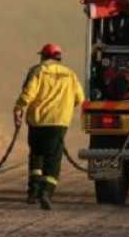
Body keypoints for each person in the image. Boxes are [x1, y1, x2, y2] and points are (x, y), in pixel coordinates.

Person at [13, 43, 84, 210]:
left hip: (38, 121)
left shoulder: (38, 70)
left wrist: (18, 108)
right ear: (59, 57)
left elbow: (28, 93)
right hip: (59, 123)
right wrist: (64, 107)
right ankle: (47, 193)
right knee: (53, 159)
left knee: (36, 155)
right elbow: (80, 98)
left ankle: (33, 192)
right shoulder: (70, 74)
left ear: (43, 56)